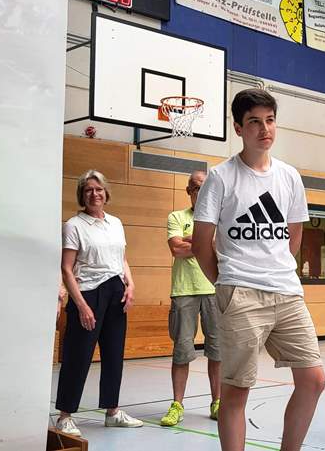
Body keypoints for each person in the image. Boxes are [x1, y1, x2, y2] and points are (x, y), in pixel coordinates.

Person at [192, 89, 325, 451]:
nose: (264, 129)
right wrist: (227, 283)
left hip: (287, 292)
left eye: (270, 120)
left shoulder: (290, 177)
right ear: (238, 128)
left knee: (313, 379)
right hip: (240, 293)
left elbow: (294, 236)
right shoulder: (221, 177)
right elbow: (201, 243)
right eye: (254, 121)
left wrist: (276, 268)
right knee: (236, 391)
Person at [56, 170, 143, 437]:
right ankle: (65, 416)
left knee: (114, 354)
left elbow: (122, 259)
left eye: (98, 189)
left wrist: (130, 285)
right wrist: (81, 305)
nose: (94, 194)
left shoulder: (116, 223)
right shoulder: (74, 225)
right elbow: (67, 269)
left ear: (106, 193)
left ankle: (112, 412)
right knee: (78, 356)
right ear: (82, 195)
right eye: (88, 190)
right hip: (88, 293)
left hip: (116, 292)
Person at [161, 170, 221, 427]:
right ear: (189, 191)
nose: (201, 191)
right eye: (196, 187)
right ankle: (177, 405)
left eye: (206, 187)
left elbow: (224, 248)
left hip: (215, 289)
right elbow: (176, 249)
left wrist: (193, 242)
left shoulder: (220, 218)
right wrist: (207, 243)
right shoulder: (177, 216)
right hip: (184, 291)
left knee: (217, 351)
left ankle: (217, 402)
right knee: (182, 351)